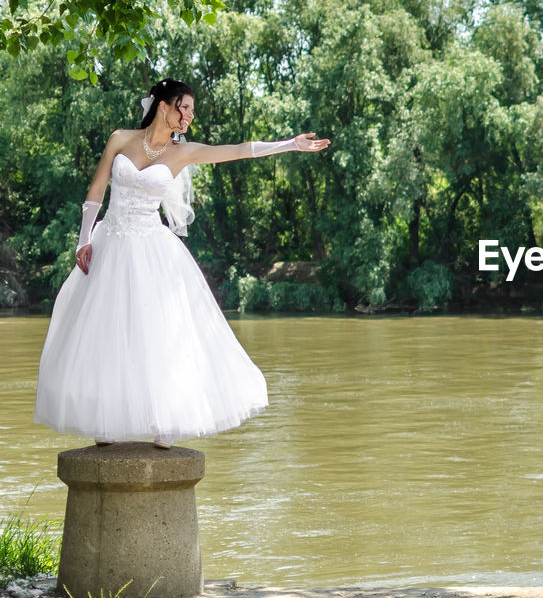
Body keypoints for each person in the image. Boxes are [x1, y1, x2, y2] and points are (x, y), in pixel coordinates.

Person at [35, 78, 330, 448]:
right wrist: (83, 239)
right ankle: (106, 418)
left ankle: (166, 420)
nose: (190, 115)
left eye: (190, 109)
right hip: (110, 242)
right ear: (164, 106)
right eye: (184, 108)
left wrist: (290, 144)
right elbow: (96, 190)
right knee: (107, 330)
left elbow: (238, 150)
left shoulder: (184, 152)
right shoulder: (120, 139)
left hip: (153, 250)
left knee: (161, 332)